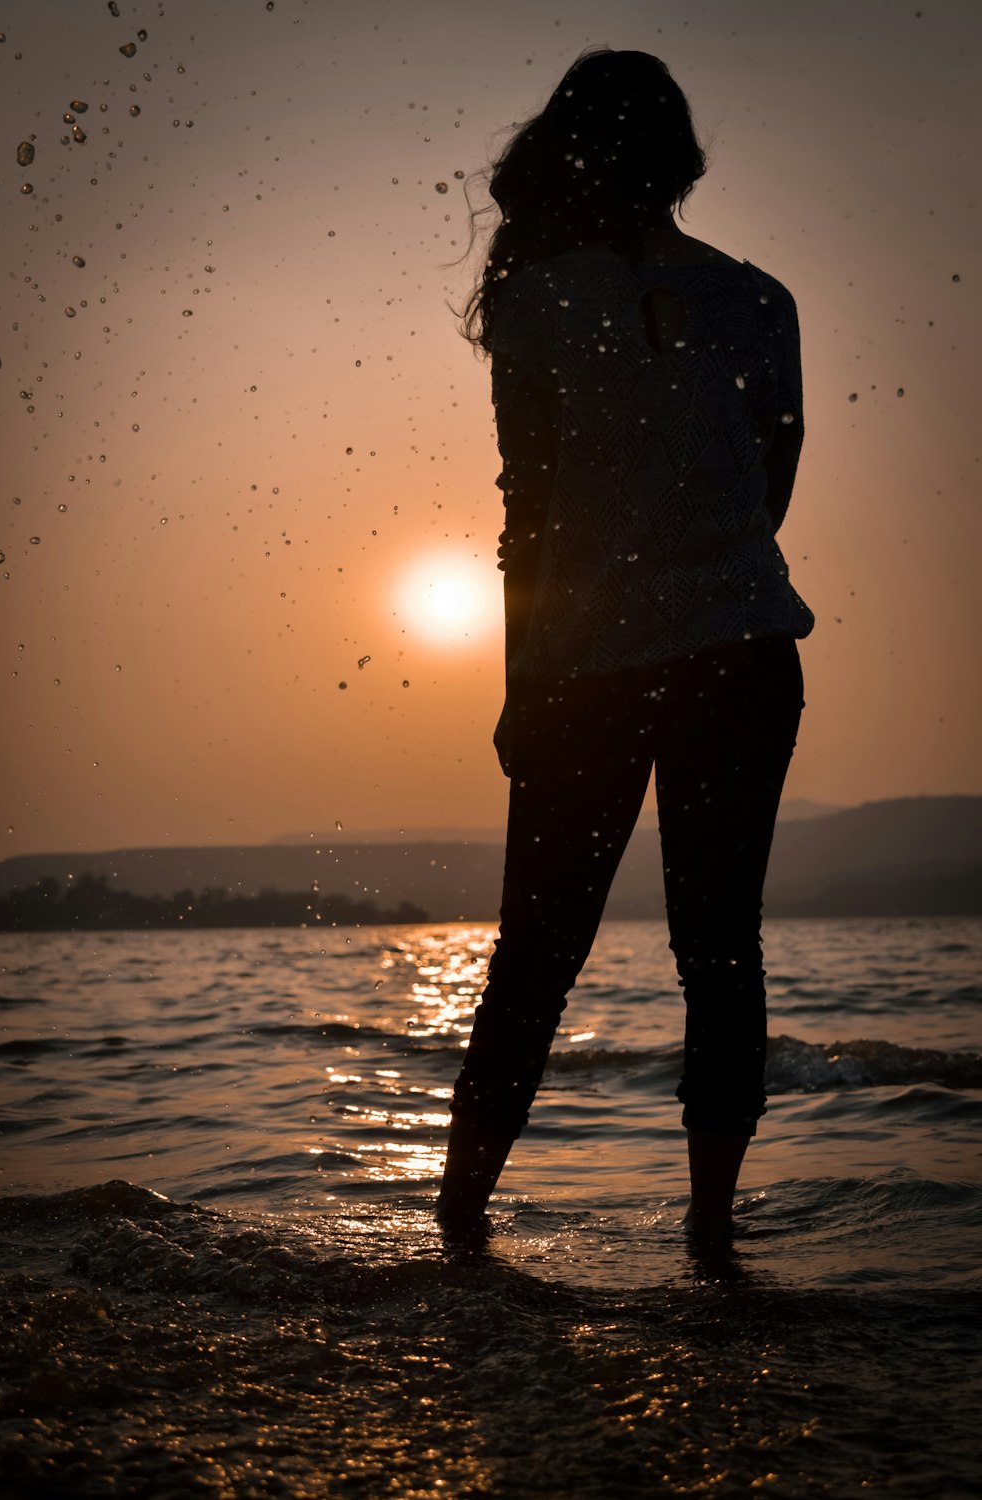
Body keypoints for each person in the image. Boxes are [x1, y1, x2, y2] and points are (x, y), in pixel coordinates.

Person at [437, 48, 814, 1242]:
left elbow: (528, 519)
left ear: (568, 153)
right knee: (720, 949)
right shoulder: (759, 298)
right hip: (745, 651)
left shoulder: (538, 302)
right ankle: (712, 1231)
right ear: (679, 159)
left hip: (588, 666)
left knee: (533, 960)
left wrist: (518, 685)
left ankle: (457, 1226)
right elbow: (772, 486)